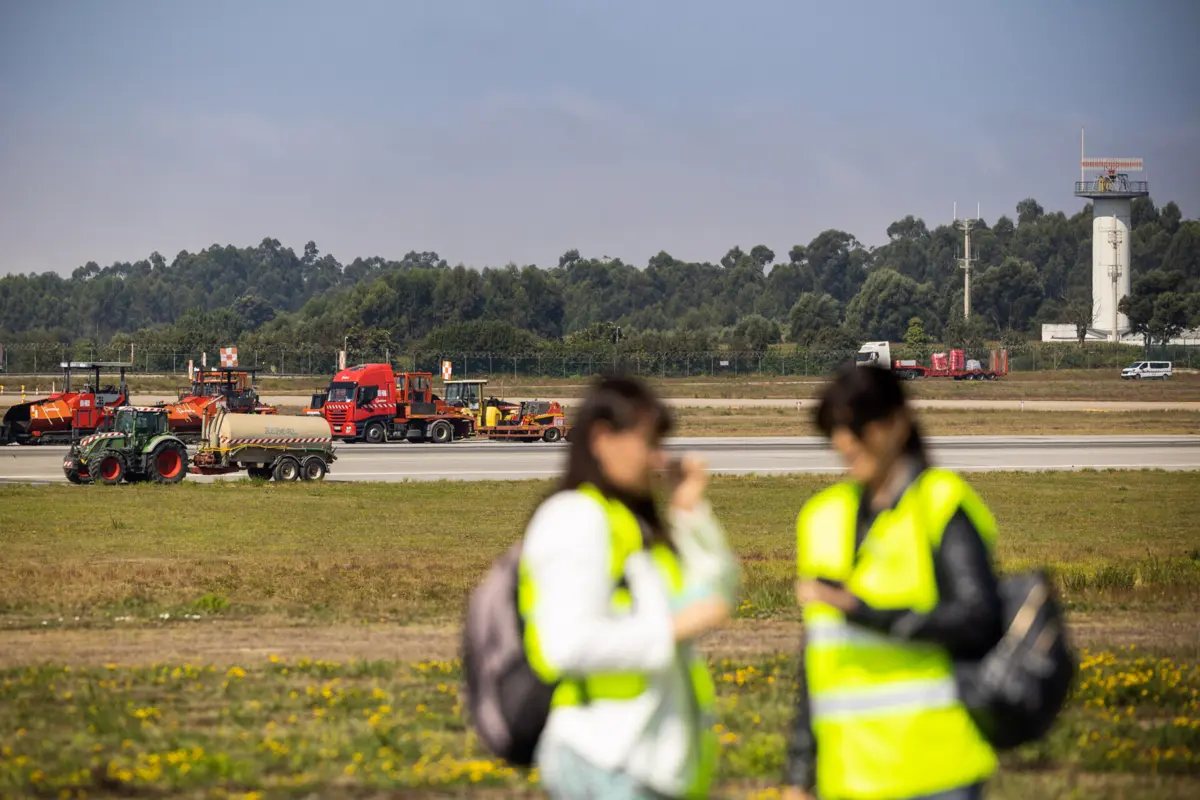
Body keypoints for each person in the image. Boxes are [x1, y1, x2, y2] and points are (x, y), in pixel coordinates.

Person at [782, 363, 1005, 800]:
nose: (845, 442)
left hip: (934, 772)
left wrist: (867, 613)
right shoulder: (821, 516)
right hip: (848, 777)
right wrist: (798, 771)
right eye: (834, 431)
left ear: (899, 424)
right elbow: (817, 655)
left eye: (859, 428)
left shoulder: (939, 503)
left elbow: (980, 619)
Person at [519, 375, 740, 799]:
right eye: (648, 443)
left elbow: (716, 594)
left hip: (648, 763)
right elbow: (564, 645)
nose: (659, 458)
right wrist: (671, 629)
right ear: (603, 438)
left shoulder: (630, 524)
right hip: (604, 757)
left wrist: (689, 511)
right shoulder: (576, 518)